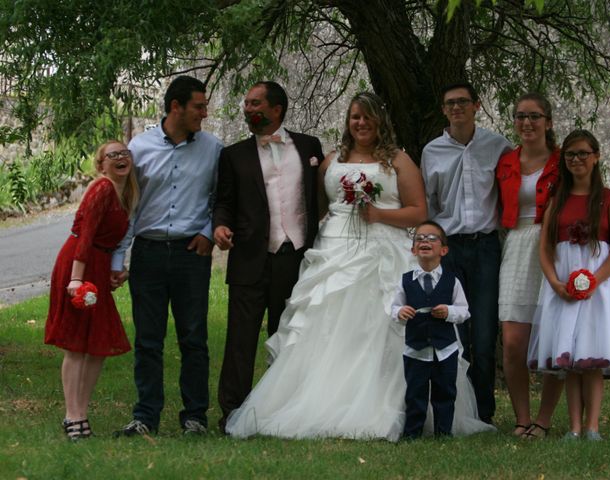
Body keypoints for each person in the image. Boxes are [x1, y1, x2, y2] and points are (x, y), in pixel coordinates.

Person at [225, 92, 493, 440]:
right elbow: (317, 206)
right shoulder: (331, 160)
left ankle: (393, 404)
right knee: (330, 327)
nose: (361, 123)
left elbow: (418, 211)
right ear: (348, 122)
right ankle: (323, 401)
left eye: (367, 117)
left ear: (379, 121)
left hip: (384, 251)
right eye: (355, 117)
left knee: (382, 327)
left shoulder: (398, 160)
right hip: (335, 251)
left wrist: (379, 214)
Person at [111, 75, 223, 436]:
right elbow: (127, 207)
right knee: (147, 339)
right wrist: (118, 259)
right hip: (149, 253)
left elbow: (221, 199)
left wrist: (208, 232)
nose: (204, 114)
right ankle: (145, 417)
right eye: (198, 107)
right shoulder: (139, 148)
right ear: (176, 107)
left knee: (194, 337)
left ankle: (195, 417)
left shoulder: (213, 149)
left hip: (192, 254)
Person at [213, 81, 324, 432]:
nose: (248, 109)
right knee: (240, 339)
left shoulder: (309, 146)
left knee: (288, 334)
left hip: (296, 255)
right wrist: (220, 227)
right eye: (246, 103)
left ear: (277, 109)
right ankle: (233, 412)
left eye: (256, 103)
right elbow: (224, 202)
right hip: (249, 256)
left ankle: (283, 409)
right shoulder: (233, 155)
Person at [528, 129, 610, 440]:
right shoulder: (557, 199)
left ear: (596, 157)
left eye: (582, 153)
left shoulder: (608, 199)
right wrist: (554, 282)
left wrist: (594, 280)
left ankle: (592, 427)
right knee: (571, 359)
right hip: (563, 285)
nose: (576, 159)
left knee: (592, 358)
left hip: (599, 288)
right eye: (570, 154)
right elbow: (545, 248)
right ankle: (574, 427)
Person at [421, 82, 512, 424]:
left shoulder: (498, 146)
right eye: (450, 103)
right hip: (450, 248)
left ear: (476, 105)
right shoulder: (432, 151)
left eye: (463, 102)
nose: (456, 108)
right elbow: (429, 205)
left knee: (485, 335)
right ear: (444, 110)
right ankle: (458, 413)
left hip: (486, 247)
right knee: (452, 332)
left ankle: (484, 414)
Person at [45, 140, 139, 440]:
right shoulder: (102, 188)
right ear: (101, 165)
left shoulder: (125, 193)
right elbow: (85, 236)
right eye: (112, 155)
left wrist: (115, 270)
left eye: (124, 153)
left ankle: (81, 412)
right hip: (79, 265)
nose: (121, 158)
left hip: (97, 267)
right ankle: (73, 416)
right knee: (77, 343)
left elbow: (111, 241)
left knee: (97, 345)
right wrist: (75, 280)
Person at [496, 93, 564, 438]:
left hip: (554, 246)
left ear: (548, 122)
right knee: (513, 341)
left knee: (552, 335)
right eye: (520, 116)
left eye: (534, 116)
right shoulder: (506, 162)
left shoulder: (564, 161)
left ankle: (544, 419)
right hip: (517, 243)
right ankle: (522, 418)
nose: (527, 123)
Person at [391, 221, 470, 438]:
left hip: (445, 350)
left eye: (432, 238)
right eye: (420, 238)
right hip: (415, 350)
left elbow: (464, 311)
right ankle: (412, 433)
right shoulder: (405, 281)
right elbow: (393, 307)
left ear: (444, 250)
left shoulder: (451, 281)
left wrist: (449, 312)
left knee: (445, 393)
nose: (425, 241)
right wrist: (400, 312)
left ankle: (444, 433)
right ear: (413, 249)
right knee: (415, 393)